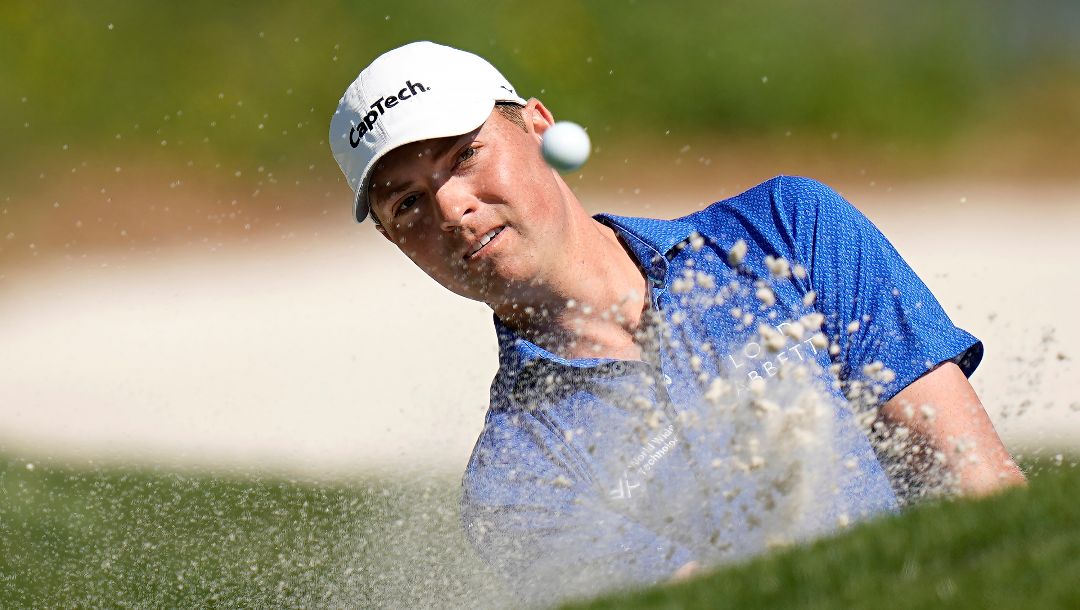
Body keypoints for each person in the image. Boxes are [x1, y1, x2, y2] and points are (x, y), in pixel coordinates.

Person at [329, 41, 1025, 604]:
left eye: (464, 156)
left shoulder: (787, 228)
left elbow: (977, 486)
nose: (451, 209)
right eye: (409, 206)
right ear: (398, 244)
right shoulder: (515, 486)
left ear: (538, 127)